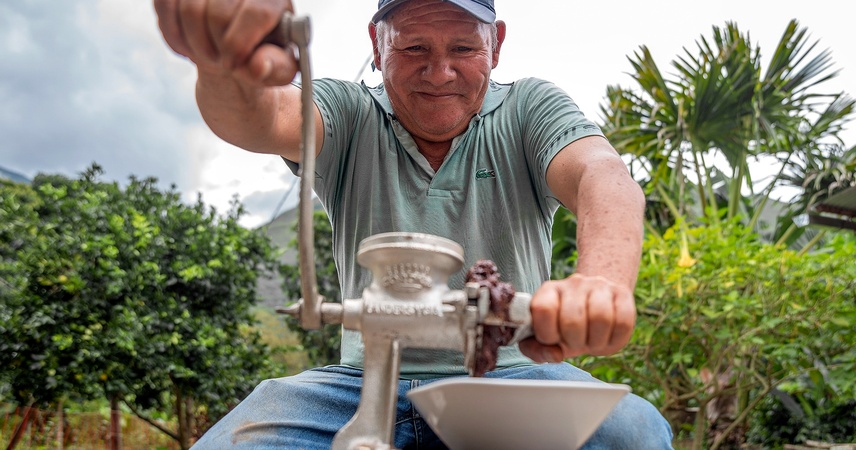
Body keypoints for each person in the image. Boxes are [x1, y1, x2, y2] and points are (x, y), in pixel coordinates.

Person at [154, 0, 674, 448]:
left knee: (634, 434)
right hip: (357, 383)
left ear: (497, 43)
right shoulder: (350, 111)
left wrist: (600, 282)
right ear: (377, 47)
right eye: (414, 49)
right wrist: (221, 61)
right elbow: (263, 117)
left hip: (518, 375)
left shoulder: (529, 109)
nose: (440, 72)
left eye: (464, 49)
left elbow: (601, 175)